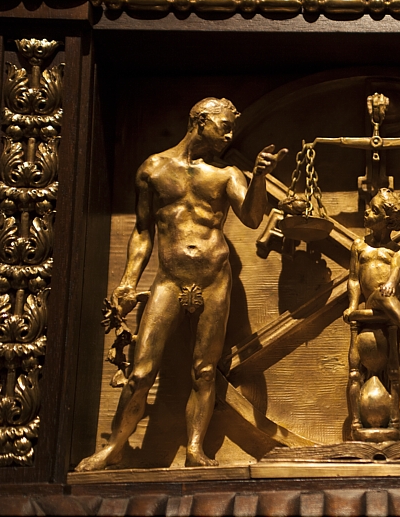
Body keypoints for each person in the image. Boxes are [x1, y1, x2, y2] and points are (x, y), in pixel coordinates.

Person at [76, 98, 287, 471]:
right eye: (224, 126)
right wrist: (127, 282)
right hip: (169, 281)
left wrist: (257, 176)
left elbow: (253, 217)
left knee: (204, 371)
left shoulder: (227, 175)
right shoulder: (153, 169)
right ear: (201, 121)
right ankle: (114, 448)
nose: (229, 135)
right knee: (141, 372)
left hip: (214, 281)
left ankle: (194, 449)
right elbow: (143, 231)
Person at [344, 188, 400, 409]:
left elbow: (396, 272)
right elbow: (354, 279)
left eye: (374, 210)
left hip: (398, 297)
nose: (367, 212)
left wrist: (391, 284)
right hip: (378, 299)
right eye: (369, 207)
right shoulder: (359, 246)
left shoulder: (398, 251)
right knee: (379, 294)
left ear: (388, 221)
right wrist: (352, 305)